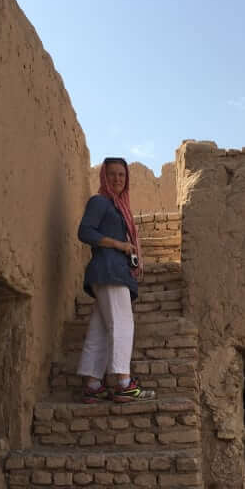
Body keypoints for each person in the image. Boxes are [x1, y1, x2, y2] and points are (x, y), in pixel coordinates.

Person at [76, 157, 155, 403]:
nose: (117, 179)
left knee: (100, 329)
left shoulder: (118, 206)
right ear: (104, 177)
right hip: (109, 271)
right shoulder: (100, 201)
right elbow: (85, 232)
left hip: (112, 272)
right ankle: (123, 383)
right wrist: (120, 244)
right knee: (123, 324)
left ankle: (92, 383)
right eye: (112, 175)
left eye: (121, 175)